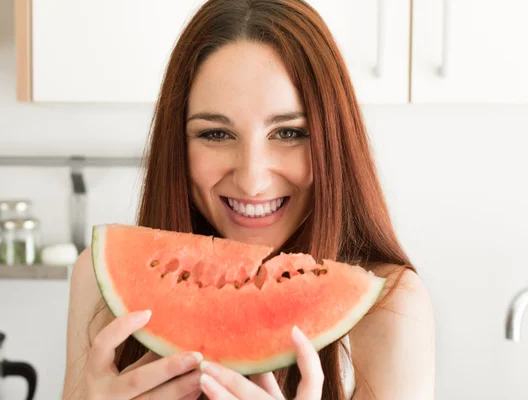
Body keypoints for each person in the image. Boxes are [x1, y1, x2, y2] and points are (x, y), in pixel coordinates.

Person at [62, 0, 435, 399]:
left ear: (334, 141)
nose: (252, 181)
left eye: (289, 133)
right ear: (177, 144)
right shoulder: (96, 284)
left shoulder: (391, 309)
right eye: (216, 134)